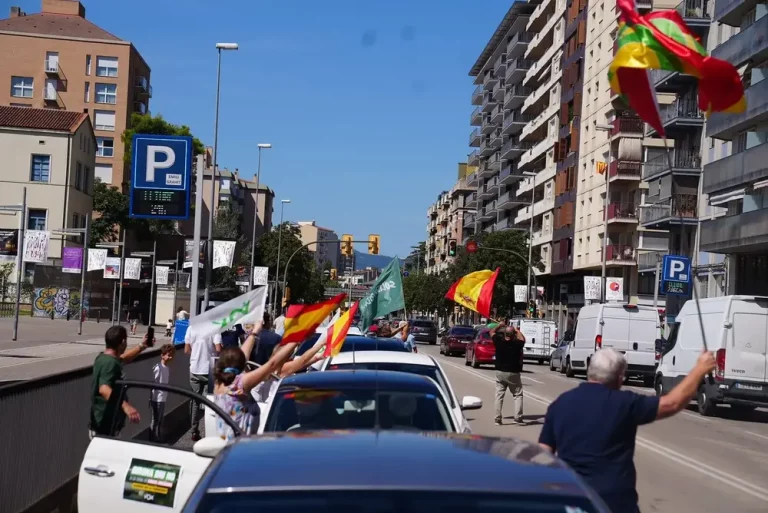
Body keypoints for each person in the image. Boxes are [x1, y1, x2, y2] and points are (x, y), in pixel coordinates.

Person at [538, 348, 716, 513]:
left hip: (572, 499)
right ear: (620, 377)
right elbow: (672, 403)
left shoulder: (560, 404)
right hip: (615, 502)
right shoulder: (625, 403)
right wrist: (699, 369)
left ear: (589, 371)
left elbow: (543, 454)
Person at [212, 323, 327, 439]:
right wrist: (298, 339)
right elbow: (272, 364)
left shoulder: (219, 383)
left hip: (227, 447)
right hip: (241, 446)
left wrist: (254, 332)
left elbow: (244, 356)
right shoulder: (241, 383)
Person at [89, 326, 152, 437]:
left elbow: (123, 358)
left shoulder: (103, 358)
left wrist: (142, 346)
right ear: (122, 342)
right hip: (106, 427)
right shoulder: (110, 363)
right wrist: (126, 406)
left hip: (102, 424)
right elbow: (104, 388)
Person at [185, 323, 222, 441]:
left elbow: (186, 349)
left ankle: (194, 431)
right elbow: (218, 349)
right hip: (208, 370)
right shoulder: (215, 328)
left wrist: (196, 355)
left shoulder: (192, 327)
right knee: (210, 402)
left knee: (195, 401)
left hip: (194, 369)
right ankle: (209, 433)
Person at [490, 322, 526, 426]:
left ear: (504, 334)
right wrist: (516, 330)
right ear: (513, 335)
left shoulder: (499, 341)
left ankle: (497, 419)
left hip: (500, 372)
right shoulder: (517, 344)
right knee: (518, 395)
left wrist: (499, 325)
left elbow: (491, 332)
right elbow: (523, 339)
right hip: (513, 372)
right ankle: (518, 418)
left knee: (499, 396)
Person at [149, 344, 175, 442]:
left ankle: (157, 437)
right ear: (162, 355)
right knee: (155, 420)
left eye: (171, 355)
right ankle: (153, 439)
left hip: (163, 397)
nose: (170, 357)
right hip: (157, 398)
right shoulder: (157, 368)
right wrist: (151, 397)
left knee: (159, 420)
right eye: (169, 355)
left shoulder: (166, 368)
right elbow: (153, 382)